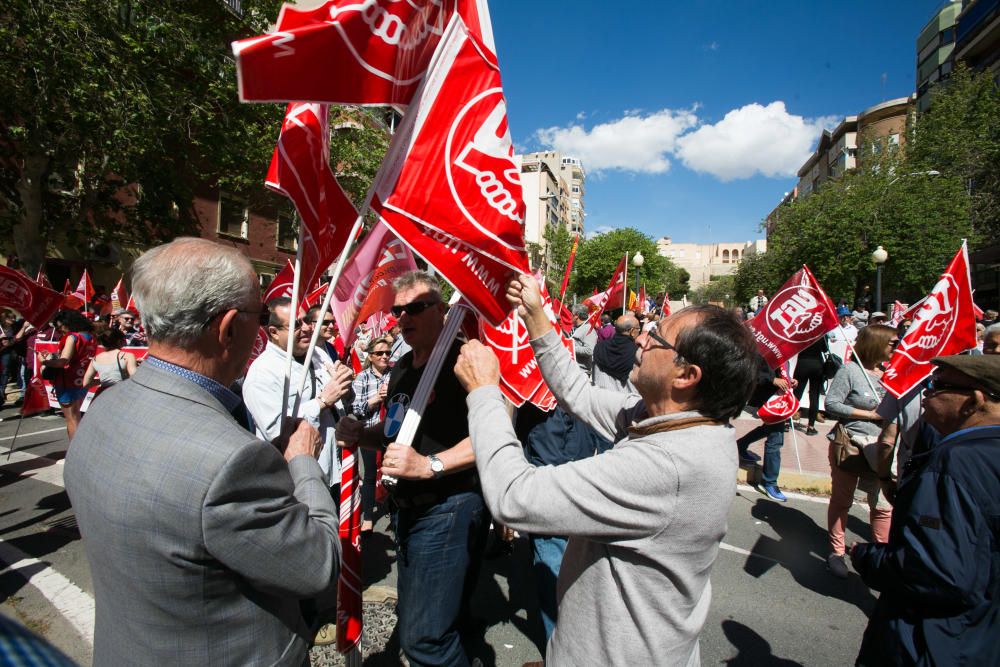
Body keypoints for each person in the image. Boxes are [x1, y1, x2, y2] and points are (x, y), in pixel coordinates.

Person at [455, 273, 758, 665]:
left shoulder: (667, 465)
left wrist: (483, 393)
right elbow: (577, 393)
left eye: (656, 337)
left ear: (686, 375)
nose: (641, 339)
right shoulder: (683, 423)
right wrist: (535, 316)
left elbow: (514, 497)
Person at [64, 237, 340, 666]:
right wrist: (303, 462)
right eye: (261, 315)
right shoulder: (231, 461)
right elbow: (318, 566)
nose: (263, 327)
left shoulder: (103, 407)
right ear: (229, 326)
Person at [336, 270, 488, 667]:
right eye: (398, 309)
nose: (403, 317)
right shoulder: (402, 367)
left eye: (415, 308)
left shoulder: (465, 362)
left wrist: (430, 464)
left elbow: (493, 437)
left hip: (449, 506)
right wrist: (361, 435)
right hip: (408, 512)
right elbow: (395, 437)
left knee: (425, 640)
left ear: (441, 310)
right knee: (434, 622)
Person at [851, 354, 1000, 666]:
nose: (927, 392)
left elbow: (937, 570)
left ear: (974, 400)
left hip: (927, 640)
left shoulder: (956, 462)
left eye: (937, 384)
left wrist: (869, 557)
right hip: (979, 636)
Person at [243, 297, 354, 489]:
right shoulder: (262, 372)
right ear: (274, 332)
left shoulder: (318, 353)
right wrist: (322, 401)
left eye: (306, 321)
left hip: (334, 469)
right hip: (298, 480)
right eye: (295, 324)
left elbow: (342, 399)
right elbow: (275, 430)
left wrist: (344, 386)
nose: (306, 328)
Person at [823, 324, 897, 579]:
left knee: (883, 505)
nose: (896, 347)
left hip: (882, 448)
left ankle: (880, 555)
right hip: (851, 445)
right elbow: (831, 403)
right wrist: (869, 414)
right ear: (876, 343)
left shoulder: (893, 372)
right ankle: (836, 551)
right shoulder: (850, 371)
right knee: (842, 500)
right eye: (891, 343)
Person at [736, 357, 796, 502]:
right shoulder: (767, 348)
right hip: (767, 398)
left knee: (769, 430)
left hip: (779, 400)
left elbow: (782, 373)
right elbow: (751, 370)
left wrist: (790, 380)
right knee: (775, 438)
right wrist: (773, 380)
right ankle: (769, 481)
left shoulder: (785, 352)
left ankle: (741, 445)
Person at [351, 335, 393, 533]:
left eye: (387, 352)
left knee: (393, 474)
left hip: (392, 434)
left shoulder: (395, 374)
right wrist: (375, 399)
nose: (385, 356)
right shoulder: (362, 377)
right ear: (371, 356)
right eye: (380, 353)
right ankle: (368, 515)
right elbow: (357, 409)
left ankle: (394, 512)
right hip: (370, 433)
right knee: (369, 475)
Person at [40, 310, 97, 440]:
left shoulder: (73, 337)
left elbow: (63, 361)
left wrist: (44, 361)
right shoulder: (90, 337)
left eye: (60, 327)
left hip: (67, 381)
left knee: (72, 420)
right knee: (76, 417)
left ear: (68, 323)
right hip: (82, 379)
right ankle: (78, 450)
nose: (60, 330)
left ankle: (74, 453)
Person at [591, 314, 640, 394]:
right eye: (638, 329)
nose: (639, 331)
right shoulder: (638, 353)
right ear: (632, 331)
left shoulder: (600, 347)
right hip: (627, 403)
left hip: (602, 398)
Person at [82, 326, 138, 392]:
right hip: (120, 393)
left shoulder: (96, 359)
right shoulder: (127, 356)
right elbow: (135, 378)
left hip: (102, 394)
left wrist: (105, 380)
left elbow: (86, 383)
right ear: (120, 341)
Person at [792, 337, 826, 435]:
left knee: (796, 394)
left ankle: (786, 421)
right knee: (814, 396)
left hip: (803, 362)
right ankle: (811, 426)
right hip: (817, 364)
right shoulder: (822, 334)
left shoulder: (804, 332)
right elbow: (825, 349)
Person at [569, 304, 597, 374]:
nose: (570, 316)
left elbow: (589, 350)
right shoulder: (575, 328)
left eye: (571, 314)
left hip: (582, 372)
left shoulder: (588, 329)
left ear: (576, 316)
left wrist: (571, 347)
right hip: (574, 369)